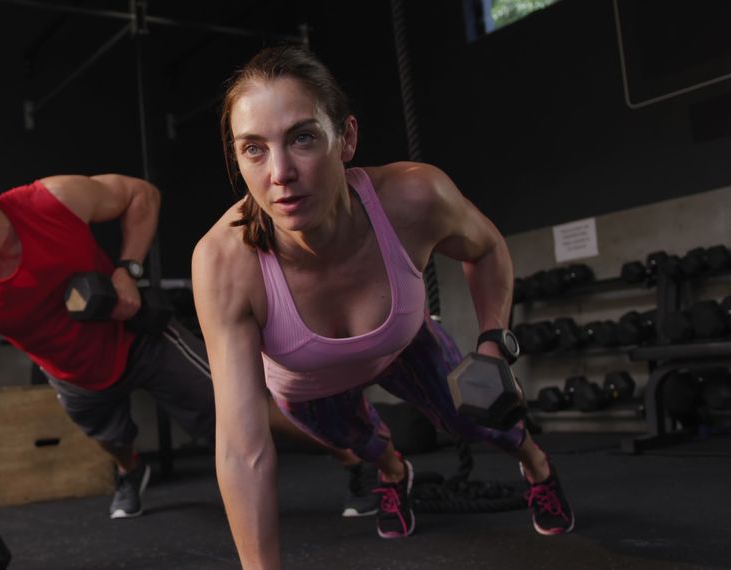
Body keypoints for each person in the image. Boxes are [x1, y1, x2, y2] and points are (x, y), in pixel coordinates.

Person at [192, 45, 575, 568]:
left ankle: (536, 466)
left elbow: (486, 248)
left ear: (345, 138)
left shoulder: (415, 197)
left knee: (485, 422)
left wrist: (492, 341)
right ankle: (395, 474)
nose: (280, 173)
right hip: (306, 386)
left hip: (403, 345)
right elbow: (242, 450)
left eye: (303, 137)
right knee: (364, 446)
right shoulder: (223, 262)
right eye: (253, 149)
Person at [0, 139, 216, 567]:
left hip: (137, 337)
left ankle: (340, 453)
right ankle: (130, 470)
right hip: (74, 373)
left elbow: (143, 194)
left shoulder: (52, 200)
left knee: (239, 412)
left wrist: (128, 271)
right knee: (112, 438)